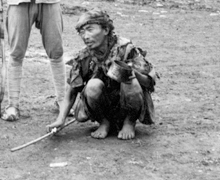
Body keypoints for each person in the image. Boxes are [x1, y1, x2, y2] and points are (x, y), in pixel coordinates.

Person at [47, 9, 157, 140]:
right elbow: (71, 92)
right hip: (103, 106)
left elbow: (150, 82)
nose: (85, 36)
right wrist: (60, 119)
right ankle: (104, 122)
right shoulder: (84, 57)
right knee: (93, 85)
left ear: (105, 30)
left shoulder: (125, 49)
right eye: (81, 32)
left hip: (127, 102)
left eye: (90, 29)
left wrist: (133, 73)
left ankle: (129, 122)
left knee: (130, 81)